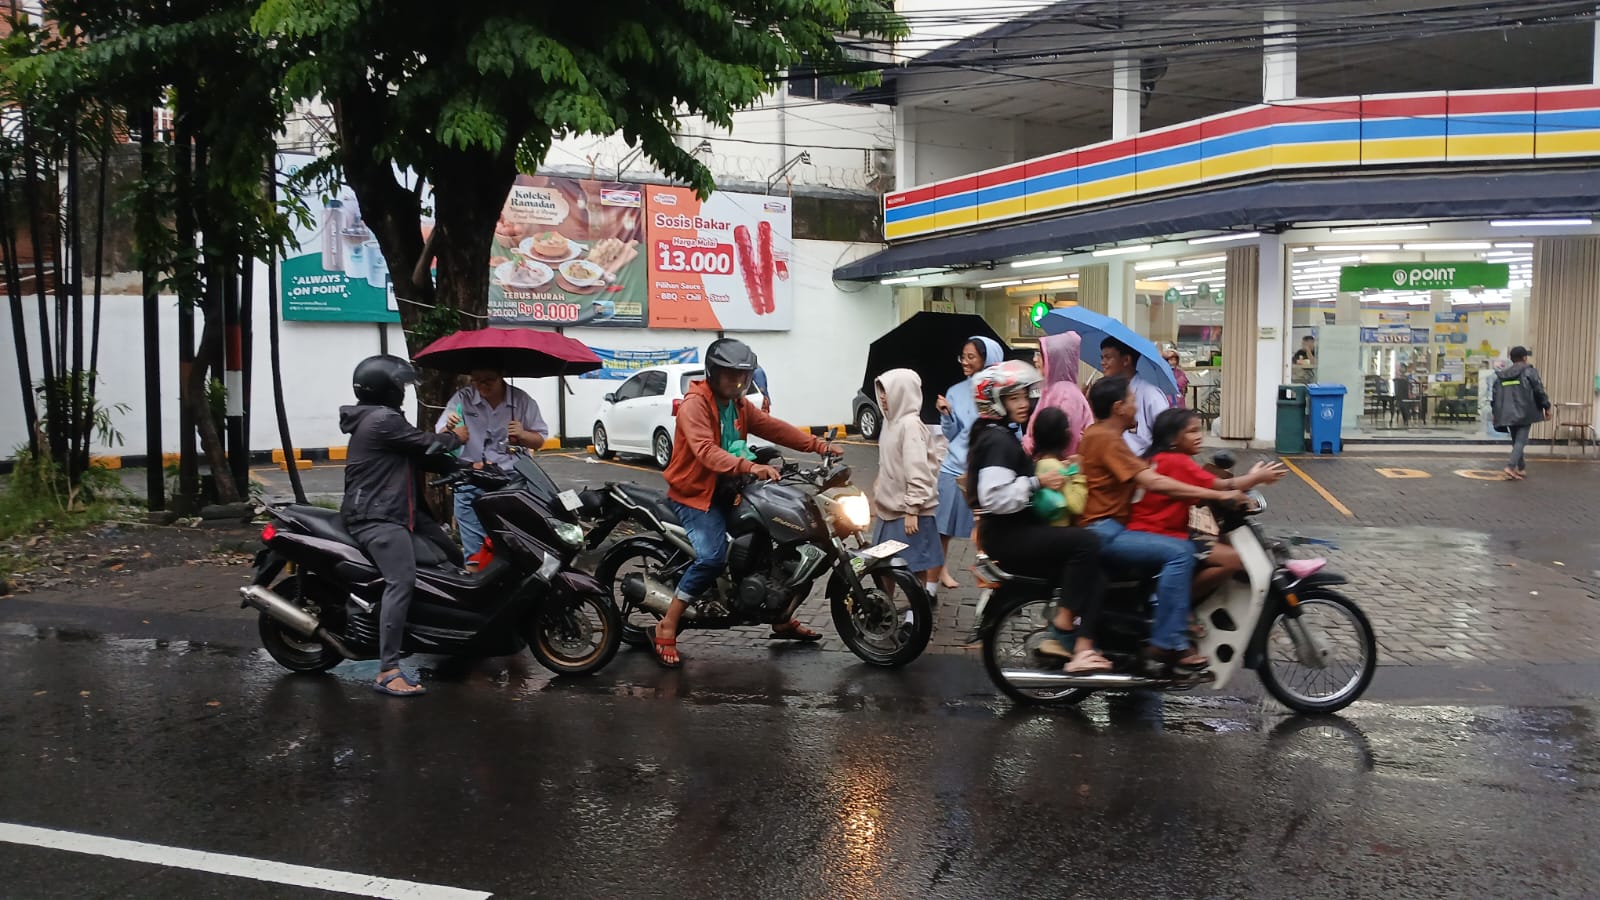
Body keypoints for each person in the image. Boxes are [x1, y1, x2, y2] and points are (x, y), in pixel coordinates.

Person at [653, 338, 843, 668]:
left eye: (742, 375)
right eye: (730, 375)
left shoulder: (738, 405)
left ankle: (781, 617)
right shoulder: (695, 406)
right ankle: (668, 624)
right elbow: (705, 451)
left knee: (782, 548)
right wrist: (750, 466)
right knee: (711, 558)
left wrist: (817, 446)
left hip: (731, 489)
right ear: (713, 373)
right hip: (696, 495)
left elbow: (774, 428)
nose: (737, 382)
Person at [1078, 375, 1248, 672]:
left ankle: (1157, 624)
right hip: (1104, 530)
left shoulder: (1102, 436)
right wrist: (1216, 494)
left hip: (1108, 528)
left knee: (1179, 548)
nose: (1136, 406)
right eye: (1132, 400)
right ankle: (1169, 641)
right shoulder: (1107, 439)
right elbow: (1155, 482)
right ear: (1119, 408)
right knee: (1180, 552)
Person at [968, 360, 1111, 674]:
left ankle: (1084, 645)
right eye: (1013, 398)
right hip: (1008, 535)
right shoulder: (997, 441)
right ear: (994, 401)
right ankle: (1062, 629)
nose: (1023, 403)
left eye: (1024, 396)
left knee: (1096, 572)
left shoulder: (999, 434)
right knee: (1087, 543)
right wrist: (1037, 482)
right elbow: (994, 497)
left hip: (1009, 531)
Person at [340, 355, 465, 697]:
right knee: (401, 580)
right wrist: (455, 437)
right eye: (401, 386)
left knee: (452, 557)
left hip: (399, 511)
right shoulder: (382, 420)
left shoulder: (382, 418)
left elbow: (421, 455)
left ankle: (450, 635)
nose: (405, 392)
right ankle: (388, 670)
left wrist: (471, 469)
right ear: (386, 389)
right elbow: (427, 444)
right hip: (376, 516)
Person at [1128, 408, 1286, 602]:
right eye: (1192, 431)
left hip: (1149, 529)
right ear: (1173, 439)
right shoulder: (1176, 461)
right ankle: (1175, 604)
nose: (1199, 436)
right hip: (1162, 533)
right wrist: (1258, 477)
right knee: (1234, 560)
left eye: (1199, 430)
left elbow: (1209, 484)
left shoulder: (1156, 458)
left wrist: (1252, 478)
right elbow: (1221, 486)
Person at [436, 368, 548, 559]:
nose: (482, 385)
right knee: (476, 551)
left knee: (515, 545)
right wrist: (450, 427)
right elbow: (441, 434)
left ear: (501, 376)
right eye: (477, 380)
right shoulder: (463, 398)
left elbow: (539, 440)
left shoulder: (521, 400)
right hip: (472, 478)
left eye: (489, 380)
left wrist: (522, 435)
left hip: (511, 481)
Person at [934, 335, 1005, 589]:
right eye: (962, 357)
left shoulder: (998, 393)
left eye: (971, 357)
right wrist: (946, 415)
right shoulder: (955, 391)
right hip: (954, 469)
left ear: (988, 359)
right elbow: (951, 434)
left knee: (986, 531)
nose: (965, 362)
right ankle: (940, 572)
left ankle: (991, 579)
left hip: (985, 472)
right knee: (943, 527)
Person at [870, 369, 947, 600]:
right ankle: (887, 607)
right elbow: (887, 462)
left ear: (902, 391)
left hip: (909, 513)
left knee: (914, 566)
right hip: (889, 510)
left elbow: (918, 470)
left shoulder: (910, 425)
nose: (883, 396)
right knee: (884, 565)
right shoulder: (889, 422)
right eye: (881, 391)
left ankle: (915, 614)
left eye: (887, 390)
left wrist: (913, 509)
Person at [1023, 331, 1093, 457]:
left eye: (1040, 355)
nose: (1034, 359)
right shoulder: (1054, 389)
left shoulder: (1065, 392)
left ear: (1054, 358)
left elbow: (1068, 442)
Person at [1099, 337, 1172, 456]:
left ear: (1126, 360)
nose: (1103, 363)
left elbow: (1166, 434)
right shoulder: (1109, 393)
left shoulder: (1150, 394)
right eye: (1102, 358)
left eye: (1108, 358)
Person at [1492, 345, 1552, 481]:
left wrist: (1495, 411)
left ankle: (1521, 468)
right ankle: (1510, 466)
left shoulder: (1503, 375)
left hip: (1507, 411)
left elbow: (1495, 395)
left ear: (1511, 358)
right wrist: (1546, 406)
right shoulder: (1529, 372)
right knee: (1521, 441)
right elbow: (1539, 390)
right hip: (1525, 411)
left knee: (1516, 441)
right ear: (1525, 358)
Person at [1029, 407, 1087, 527]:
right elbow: (1077, 506)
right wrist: (1079, 475)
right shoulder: (1055, 467)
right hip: (1061, 530)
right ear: (1066, 434)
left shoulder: (1037, 462)